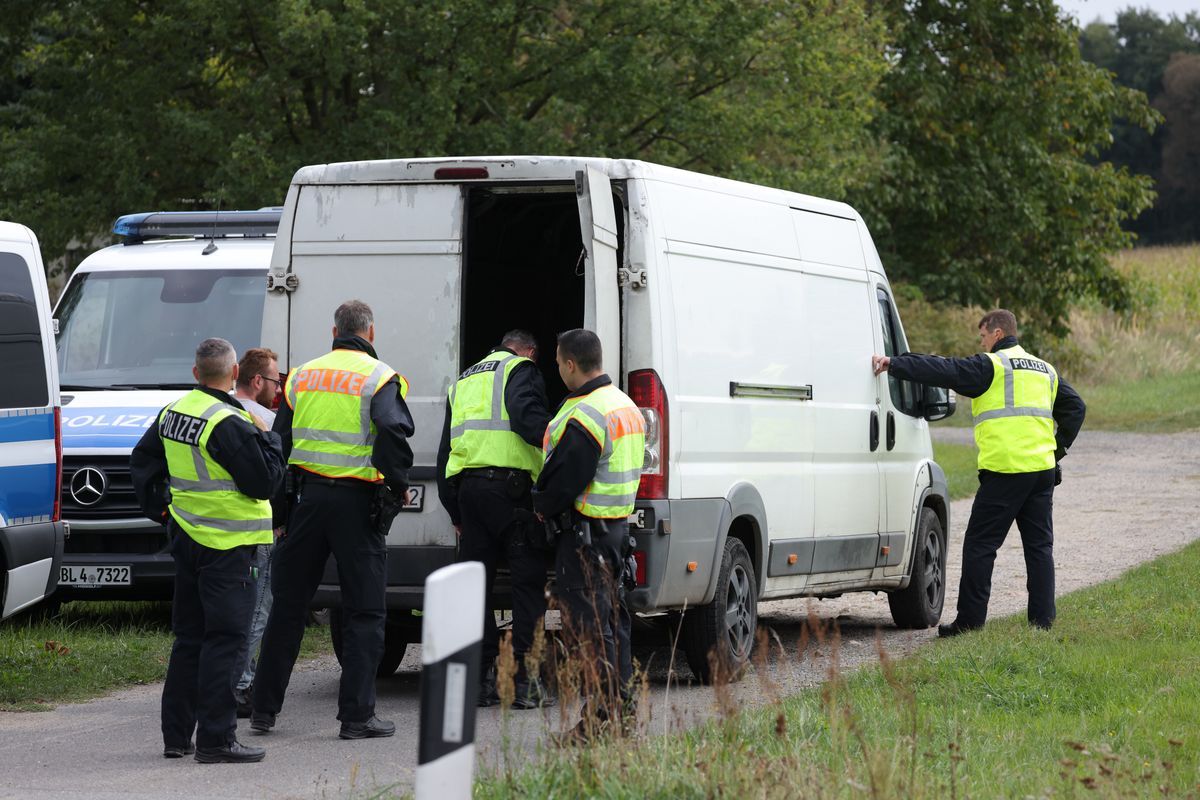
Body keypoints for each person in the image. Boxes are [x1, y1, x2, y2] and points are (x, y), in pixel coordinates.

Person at [250, 300, 415, 740]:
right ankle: (357, 718)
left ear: (334, 330)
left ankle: (263, 710)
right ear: (371, 333)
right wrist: (397, 483)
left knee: (288, 606)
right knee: (364, 611)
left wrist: (281, 513)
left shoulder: (301, 376)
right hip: (357, 506)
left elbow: (277, 446)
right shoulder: (379, 377)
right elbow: (392, 431)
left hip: (306, 502)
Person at [871, 309, 1085, 637]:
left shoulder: (992, 366)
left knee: (979, 546)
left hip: (1005, 471)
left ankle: (970, 622)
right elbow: (1076, 408)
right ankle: (1042, 623)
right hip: (1041, 472)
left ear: (997, 334)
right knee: (1039, 547)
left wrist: (895, 363)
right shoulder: (1045, 370)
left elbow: (944, 369)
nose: (982, 343)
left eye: (983, 336)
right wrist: (1056, 450)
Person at [130, 338, 285, 763]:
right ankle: (217, 740)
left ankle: (177, 737)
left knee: (190, 639)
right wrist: (270, 439)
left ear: (196, 373)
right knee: (226, 641)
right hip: (230, 547)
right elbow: (264, 484)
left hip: (189, 540)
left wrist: (164, 513)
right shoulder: (233, 423)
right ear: (235, 375)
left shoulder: (174, 412)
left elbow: (142, 462)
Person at [532, 329, 645, 741]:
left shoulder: (587, 415)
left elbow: (562, 481)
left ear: (569, 364)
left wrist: (539, 505)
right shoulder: (624, 404)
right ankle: (621, 714)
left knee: (591, 632)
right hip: (615, 534)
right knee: (614, 625)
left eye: (559, 363)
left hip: (584, 538)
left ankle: (599, 723)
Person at [436, 329, 553, 710]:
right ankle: (526, 683)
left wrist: (454, 509)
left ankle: (478, 681)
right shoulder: (521, 370)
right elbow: (525, 416)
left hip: (470, 494)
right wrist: (557, 439)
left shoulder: (465, 378)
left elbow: (445, 450)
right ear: (530, 352)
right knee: (526, 586)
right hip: (513, 494)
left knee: (475, 590)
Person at [231, 347, 284, 717]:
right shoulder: (264, 419)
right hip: (257, 529)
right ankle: (242, 685)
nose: (278, 388)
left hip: (213, 531)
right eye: (275, 380)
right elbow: (274, 478)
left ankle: (222, 681)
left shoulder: (219, 410)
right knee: (257, 609)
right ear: (256, 380)